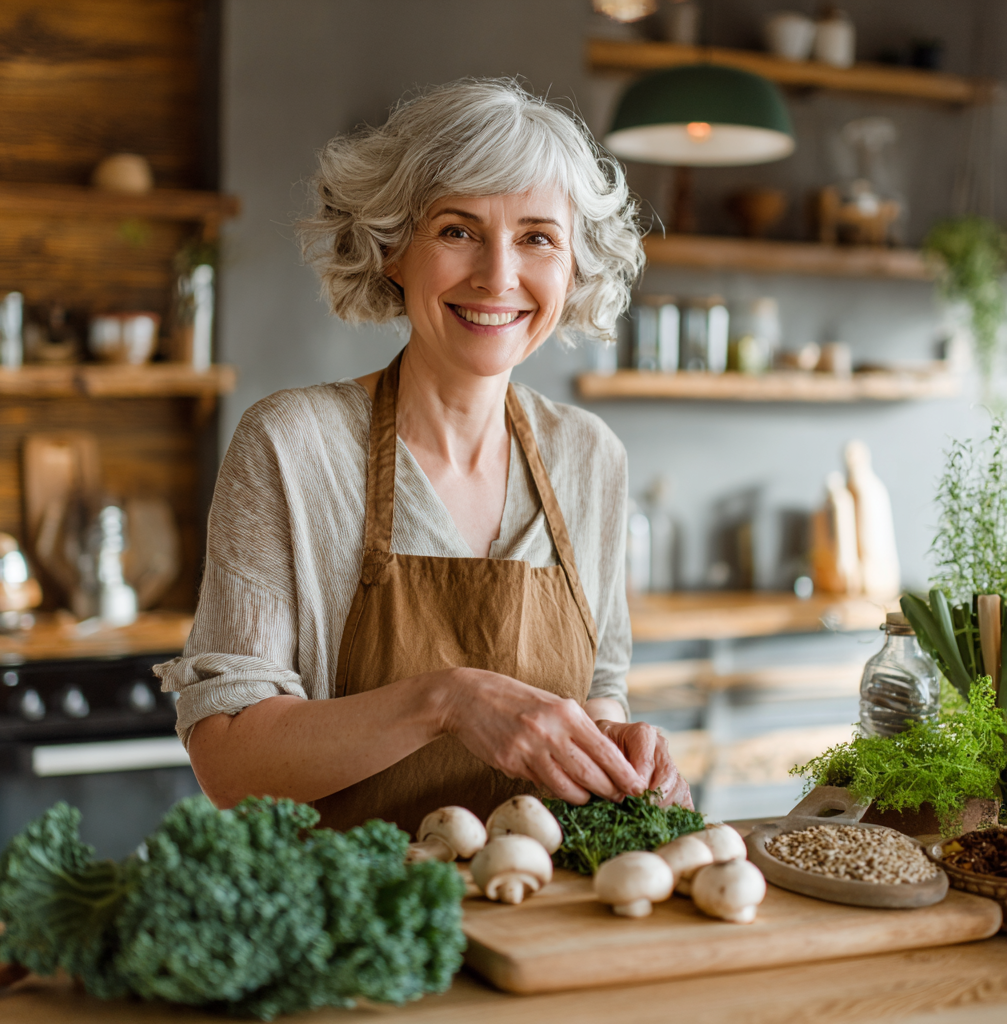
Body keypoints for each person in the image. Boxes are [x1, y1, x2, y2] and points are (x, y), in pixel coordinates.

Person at [156, 78, 692, 833]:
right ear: (393, 251)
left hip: (543, 921)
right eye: (458, 230)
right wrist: (447, 702)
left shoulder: (588, 457)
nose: (498, 276)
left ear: (573, 268)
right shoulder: (293, 445)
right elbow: (230, 762)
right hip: (353, 927)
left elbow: (599, 688)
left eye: (538, 237)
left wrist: (615, 747)